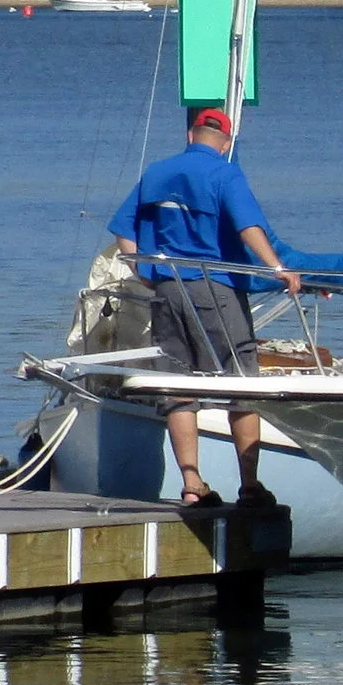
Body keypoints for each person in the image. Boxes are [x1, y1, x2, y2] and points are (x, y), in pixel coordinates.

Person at [108, 106, 301, 506]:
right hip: (216, 289)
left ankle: (192, 483)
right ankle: (249, 486)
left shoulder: (157, 171)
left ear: (191, 135)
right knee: (241, 385)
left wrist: (143, 270)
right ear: (226, 142)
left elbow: (123, 229)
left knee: (179, 386)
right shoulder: (225, 173)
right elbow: (249, 227)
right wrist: (278, 268)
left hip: (167, 290)